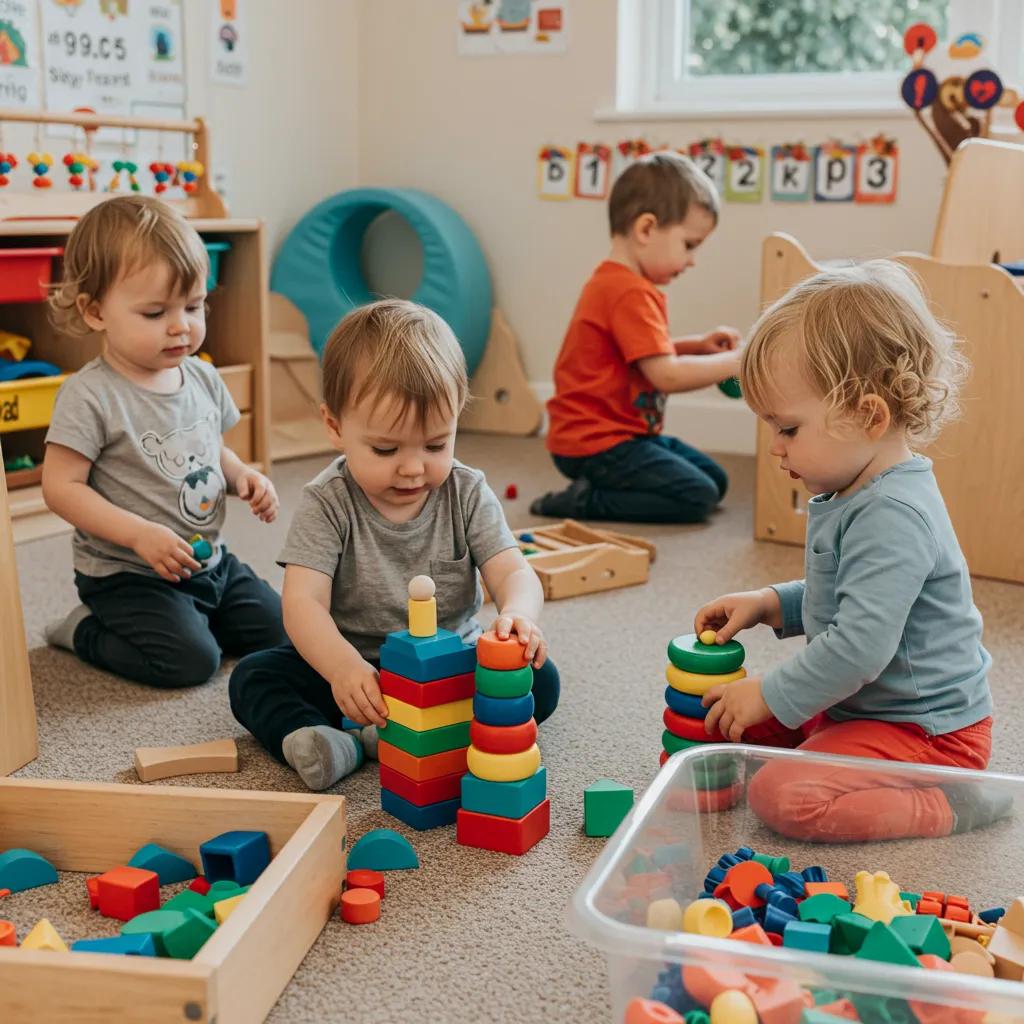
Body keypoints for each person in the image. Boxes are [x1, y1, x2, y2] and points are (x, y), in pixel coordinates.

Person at [696, 260, 1009, 842]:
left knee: (780, 795)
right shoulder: (856, 486)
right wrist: (771, 603)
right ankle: (823, 744)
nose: (774, 449)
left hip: (930, 737)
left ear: (867, 415)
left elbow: (860, 646)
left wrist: (772, 691)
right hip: (863, 708)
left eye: (788, 429)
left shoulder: (893, 513)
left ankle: (956, 805)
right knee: (729, 726)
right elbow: (847, 598)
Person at [229, 299, 559, 790]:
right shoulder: (328, 501)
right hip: (355, 667)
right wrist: (342, 668)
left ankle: (405, 734)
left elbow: (512, 571)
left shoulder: (466, 491)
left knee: (542, 680)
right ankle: (322, 738)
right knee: (253, 679)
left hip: (449, 664)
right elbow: (302, 604)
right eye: (386, 449)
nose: (412, 467)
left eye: (435, 445)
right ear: (335, 426)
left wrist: (519, 615)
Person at [41, 195, 285, 688]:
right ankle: (83, 629)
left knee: (285, 630)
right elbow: (61, 488)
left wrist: (242, 476)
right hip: (127, 574)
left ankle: (198, 616)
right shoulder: (90, 395)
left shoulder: (199, 376)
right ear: (95, 312)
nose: (181, 326)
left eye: (194, 306)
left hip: (208, 561)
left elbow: (210, 447)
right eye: (155, 313)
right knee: (192, 663)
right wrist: (136, 533)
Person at [532, 151, 741, 523]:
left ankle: (604, 489)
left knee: (716, 481)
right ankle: (582, 501)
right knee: (697, 495)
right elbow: (666, 375)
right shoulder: (627, 291)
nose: (692, 260)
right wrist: (737, 361)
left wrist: (697, 346)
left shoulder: (619, 283)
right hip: (596, 444)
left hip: (625, 435)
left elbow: (640, 356)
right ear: (646, 229)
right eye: (689, 245)